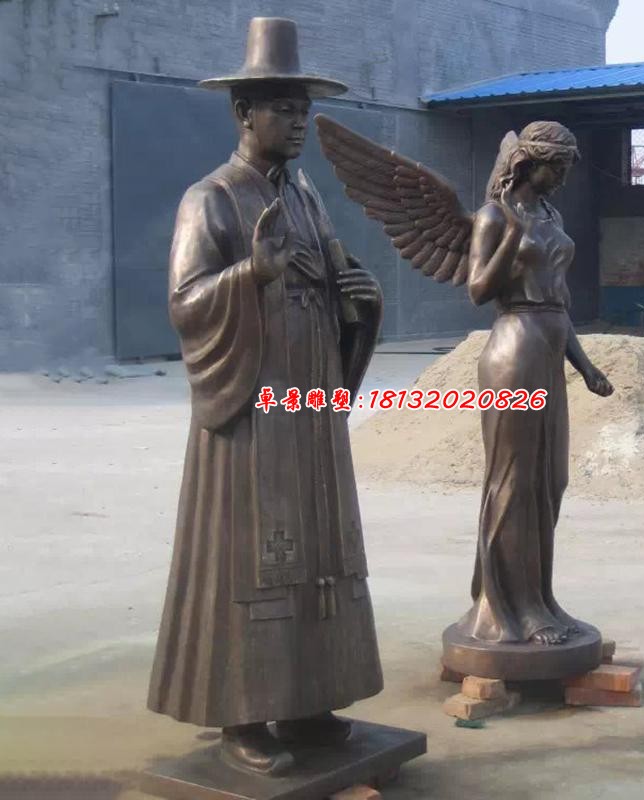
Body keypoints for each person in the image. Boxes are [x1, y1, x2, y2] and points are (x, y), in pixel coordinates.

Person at [147, 17, 384, 775]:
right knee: (253, 553)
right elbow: (186, 302)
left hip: (308, 400)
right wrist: (252, 273)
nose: (299, 121)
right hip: (253, 402)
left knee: (318, 544)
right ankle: (243, 712)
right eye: (284, 108)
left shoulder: (305, 196)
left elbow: (332, 278)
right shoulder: (210, 199)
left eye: (304, 108)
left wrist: (360, 302)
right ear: (243, 112)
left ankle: (309, 698)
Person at [461, 121, 614, 647]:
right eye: (559, 166)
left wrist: (585, 366)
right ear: (531, 164)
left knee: (551, 480)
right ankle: (513, 609)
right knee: (514, 483)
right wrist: (510, 237)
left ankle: (540, 597)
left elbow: (558, 303)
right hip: (514, 349)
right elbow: (478, 289)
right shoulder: (492, 216)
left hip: (550, 346)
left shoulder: (552, 215)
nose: (564, 177)